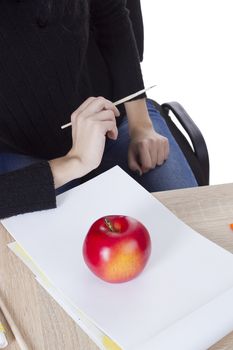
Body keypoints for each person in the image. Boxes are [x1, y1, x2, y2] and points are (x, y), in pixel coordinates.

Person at [0, 0, 197, 220]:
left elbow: (113, 17)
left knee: (190, 220)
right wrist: (74, 162)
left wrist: (140, 125)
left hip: (110, 117)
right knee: (69, 243)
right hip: (19, 149)